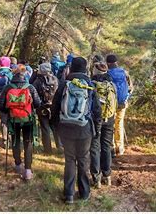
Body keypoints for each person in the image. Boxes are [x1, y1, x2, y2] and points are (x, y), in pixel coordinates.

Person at [51, 57, 102, 204]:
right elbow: (97, 111)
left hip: (66, 129)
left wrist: (56, 126)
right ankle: (84, 193)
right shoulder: (89, 85)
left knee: (70, 160)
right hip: (84, 129)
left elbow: (55, 107)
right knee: (83, 160)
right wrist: (96, 131)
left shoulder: (64, 84)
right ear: (85, 68)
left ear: (72, 67)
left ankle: (69, 195)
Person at [0, 64, 41, 180]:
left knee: (15, 141)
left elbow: (1, 106)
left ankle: (18, 164)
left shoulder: (8, 87)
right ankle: (27, 171)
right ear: (25, 73)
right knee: (28, 142)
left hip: (13, 119)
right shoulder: (30, 87)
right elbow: (37, 104)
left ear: (14, 73)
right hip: (28, 119)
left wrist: (9, 109)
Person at [90, 62, 116, 188]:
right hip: (109, 118)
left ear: (95, 71)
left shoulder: (92, 85)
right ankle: (107, 175)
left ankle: (96, 178)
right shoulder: (112, 85)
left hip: (95, 119)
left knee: (95, 147)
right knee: (106, 146)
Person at [106, 54, 133, 156]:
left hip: (111, 104)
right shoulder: (124, 73)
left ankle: (112, 147)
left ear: (108, 63)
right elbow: (131, 88)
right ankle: (120, 148)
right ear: (116, 62)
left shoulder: (108, 74)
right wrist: (126, 97)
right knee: (119, 124)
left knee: (111, 124)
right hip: (122, 103)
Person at [32, 62, 61, 154]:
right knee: (55, 127)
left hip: (42, 107)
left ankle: (47, 149)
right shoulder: (55, 79)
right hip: (54, 107)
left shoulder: (37, 81)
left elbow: (33, 92)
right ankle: (60, 146)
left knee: (45, 128)